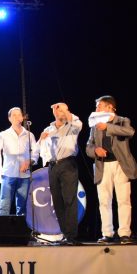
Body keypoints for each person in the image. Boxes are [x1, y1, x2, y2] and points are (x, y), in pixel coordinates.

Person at [85, 95, 137, 244]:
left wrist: (108, 127)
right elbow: (88, 147)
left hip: (120, 165)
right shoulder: (95, 125)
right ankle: (107, 233)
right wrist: (95, 150)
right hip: (103, 166)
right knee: (104, 201)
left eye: (99, 106)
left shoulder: (122, 120)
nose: (96, 109)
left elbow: (130, 132)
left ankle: (124, 233)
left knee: (123, 200)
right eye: (96, 107)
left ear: (109, 107)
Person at [38, 102, 83, 245]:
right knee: (57, 202)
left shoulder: (72, 125)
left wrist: (65, 109)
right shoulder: (48, 128)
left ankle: (72, 236)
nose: (59, 112)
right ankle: (65, 234)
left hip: (67, 164)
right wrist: (41, 138)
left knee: (69, 200)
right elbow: (39, 148)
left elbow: (78, 124)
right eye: (57, 110)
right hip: (53, 166)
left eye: (62, 110)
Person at [0, 107, 38, 215]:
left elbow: (36, 151)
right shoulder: (4, 134)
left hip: (24, 175)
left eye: (18, 115)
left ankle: (21, 230)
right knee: (4, 205)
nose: (16, 117)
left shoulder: (29, 135)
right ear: (9, 118)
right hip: (8, 173)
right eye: (14, 115)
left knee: (22, 206)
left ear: (22, 117)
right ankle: (2, 230)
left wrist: (29, 161)